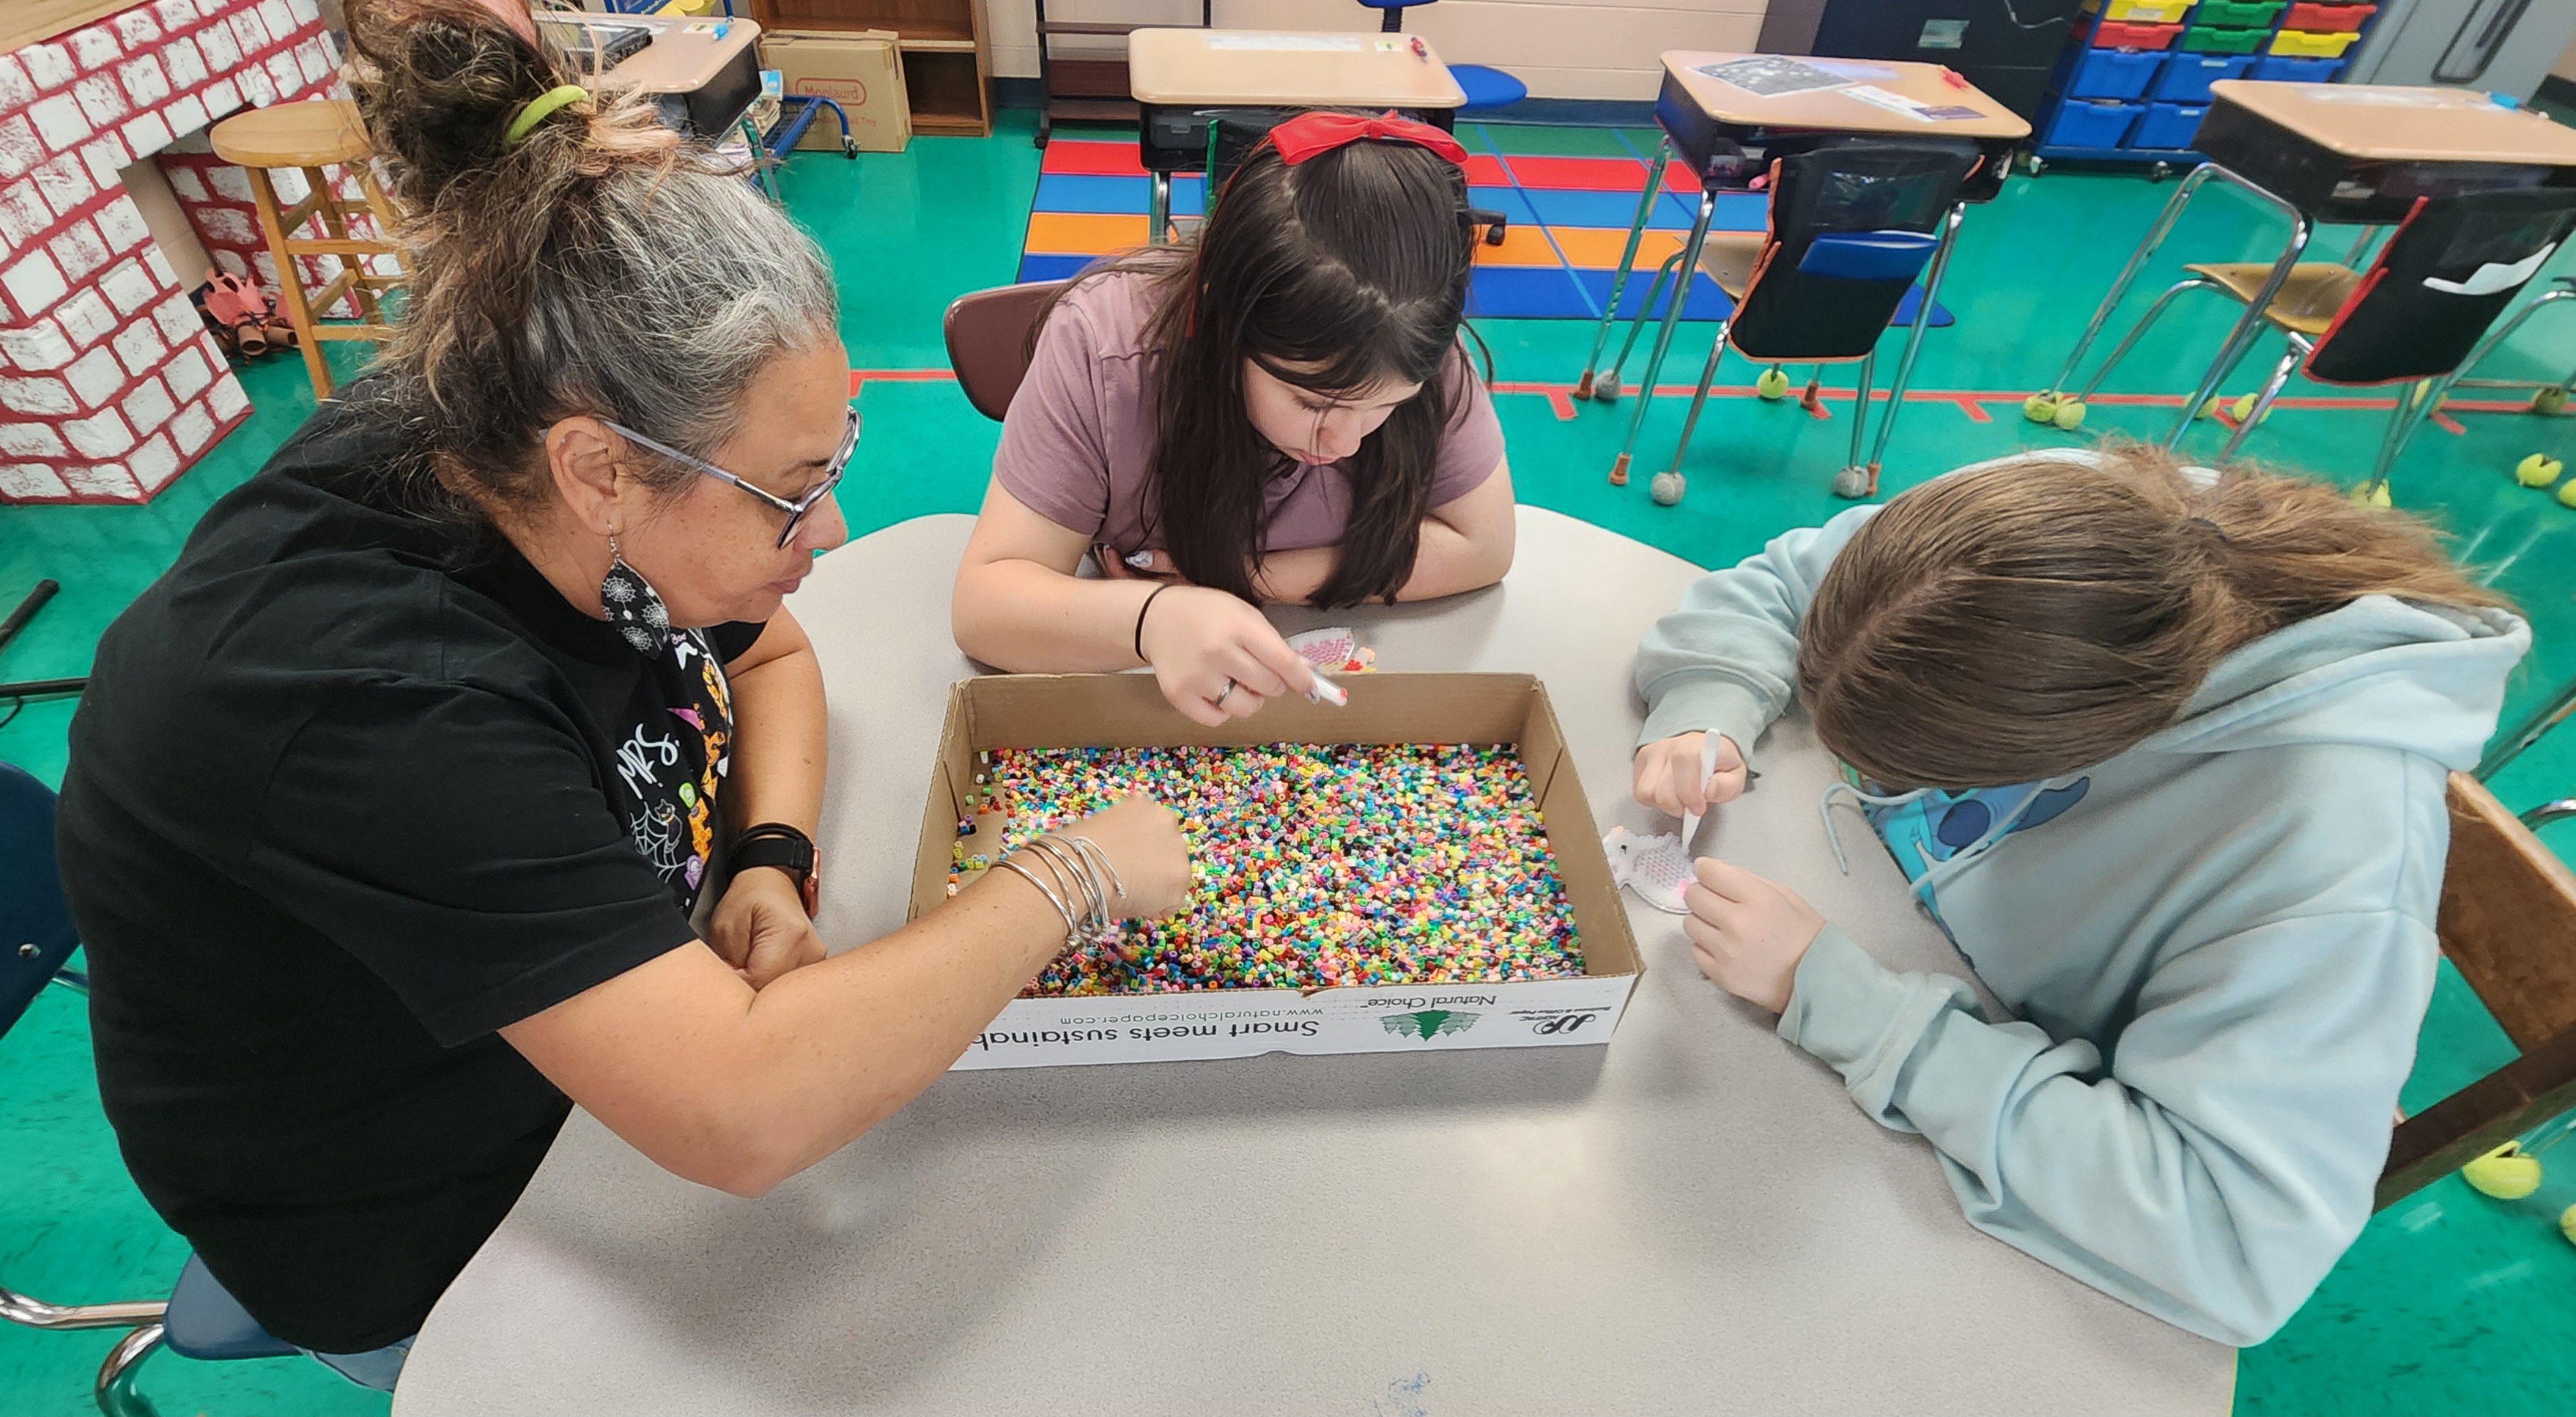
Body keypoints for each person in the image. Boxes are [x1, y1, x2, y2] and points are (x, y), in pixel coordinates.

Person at [52, 0, 1185, 1388]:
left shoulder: (519, 448)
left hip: (608, 1057)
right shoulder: (375, 704)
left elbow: (761, 658)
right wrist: (1067, 876)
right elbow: (744, 1109)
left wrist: (768, 853)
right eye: (792, 492)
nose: (828, 535)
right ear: (599, 467)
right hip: (429, 1210)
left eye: (838, 460)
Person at [1627, 444, 2527, 1346]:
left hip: (1948, 1170)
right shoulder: (2041, 529)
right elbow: (1788, 585)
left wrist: (1858, 1012)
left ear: (2078, 746)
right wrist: (1715, 699)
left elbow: (2235, 1242)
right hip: (1886, 937)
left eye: (1922, 770)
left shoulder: (2329, 858)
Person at [950, 111, 1517, 726]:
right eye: (1311, 402)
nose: (1348, 442)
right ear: (1223, 323)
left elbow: (1485, 547)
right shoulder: (1105, 352)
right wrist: (1151, 619)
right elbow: (985, 607)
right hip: (1141, 693)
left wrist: (1243, 577)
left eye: (1389, 405)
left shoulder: (1413, 338)